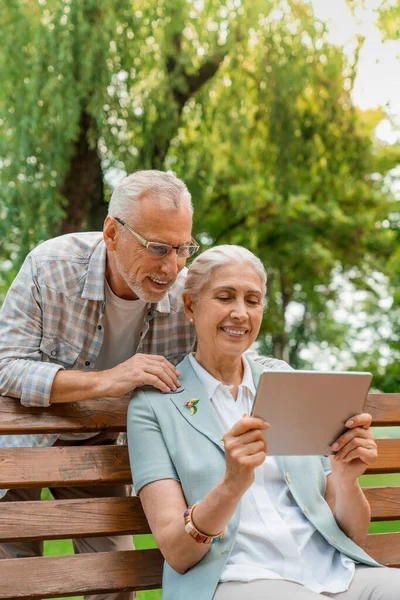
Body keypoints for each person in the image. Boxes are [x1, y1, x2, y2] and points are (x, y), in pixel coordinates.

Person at [0, 171, 277, 600]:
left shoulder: (186, 295)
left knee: (115, 576)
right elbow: (6, 367)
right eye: (158, 248)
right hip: (23, 441)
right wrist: (108, 381)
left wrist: (303, 385)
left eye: (183, 249)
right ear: (112, 233)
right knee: (15, 575)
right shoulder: (51, 267)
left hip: (100, 449)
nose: (172, 267)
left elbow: (237, 354)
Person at [127, 245, 400, 600]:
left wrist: (347, 481)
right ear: (191, 306)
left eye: (252, 301)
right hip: (235, 581)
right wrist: (231, 485)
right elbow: (178, 552)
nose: (240, 313)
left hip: (332, 575)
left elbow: (352, 538)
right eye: (225, 297)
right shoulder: (154, 404)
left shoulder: (287, 385)